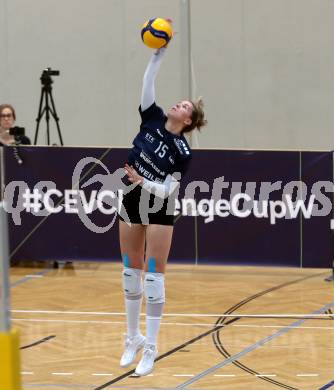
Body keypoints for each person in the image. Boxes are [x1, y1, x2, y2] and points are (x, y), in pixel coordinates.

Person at [118, 40, 207, 377]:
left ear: (188, 119)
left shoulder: (183, 150)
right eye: (179, 101)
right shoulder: (152, 118)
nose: (178, 104)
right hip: (131, 197)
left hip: (159, 204)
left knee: (154, 276)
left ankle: (152, 347)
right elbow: (147, 84)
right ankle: (132, 337)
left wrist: (145, 183)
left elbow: (170, 189)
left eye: (184, 105)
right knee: (130, 270)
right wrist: (159, 55)